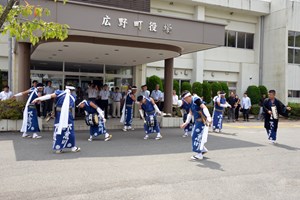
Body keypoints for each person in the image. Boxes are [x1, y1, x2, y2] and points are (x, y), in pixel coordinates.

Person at [32, 86, 81, 153]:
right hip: (65, 114)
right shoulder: (70, 95)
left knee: (62, 129)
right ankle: (70, 147)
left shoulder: (66, 94)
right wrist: (40, 98)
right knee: (68, 130)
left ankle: (62, 147)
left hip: (62, 114)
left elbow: (50, 96)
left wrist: (40, 98)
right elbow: (50, 96)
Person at [180, 91, 212, 160]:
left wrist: (208, 116)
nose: (185, 101)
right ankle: (202, 149)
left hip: (201, 122)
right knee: (194, 135)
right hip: (197, 122)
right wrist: (186, 123)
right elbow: (190, 113)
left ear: (189, 97)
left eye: (185, 99)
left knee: (196, 136)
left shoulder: (196, 100)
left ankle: (199, 154)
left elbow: (204, 107)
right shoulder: (190, 103)